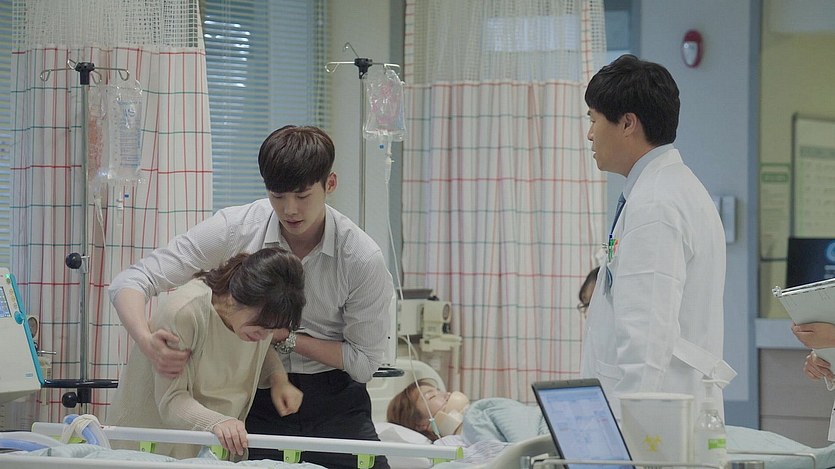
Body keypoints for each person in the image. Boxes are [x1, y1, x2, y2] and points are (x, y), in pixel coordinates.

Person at [109, 125, 395, 468]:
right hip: (253, 397)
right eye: (277, 195)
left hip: (335, 397)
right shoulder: (236, 229)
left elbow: (364, 363)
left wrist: (282, 338)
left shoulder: (360, 258)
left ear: (330, 184)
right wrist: (146, 341)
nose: (289, 210)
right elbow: (131, 280)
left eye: (302, 196)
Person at [580, 54, 735, 419]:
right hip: (666, 413)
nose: (590, 133)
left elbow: (646, 338)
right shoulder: (668, 189)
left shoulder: (655, 204)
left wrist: (630, 434)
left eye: (593, 119)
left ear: (627, 123)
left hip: (653, 423)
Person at [108, 247, 306, 460]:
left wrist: (278, 379)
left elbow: (260, 349)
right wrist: (218, 422)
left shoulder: (258, 320)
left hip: (213, 443)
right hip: (152, 444)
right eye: (261, 328)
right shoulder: (185, 313)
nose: (265, 336)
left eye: (271, 330)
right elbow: (170, 399)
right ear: (235, 298)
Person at [386, 379, 547, 445]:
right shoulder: (445, 447)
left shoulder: (479, 413)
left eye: (440, 390)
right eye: (432, 396)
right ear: (420, 424)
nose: (446, 394)